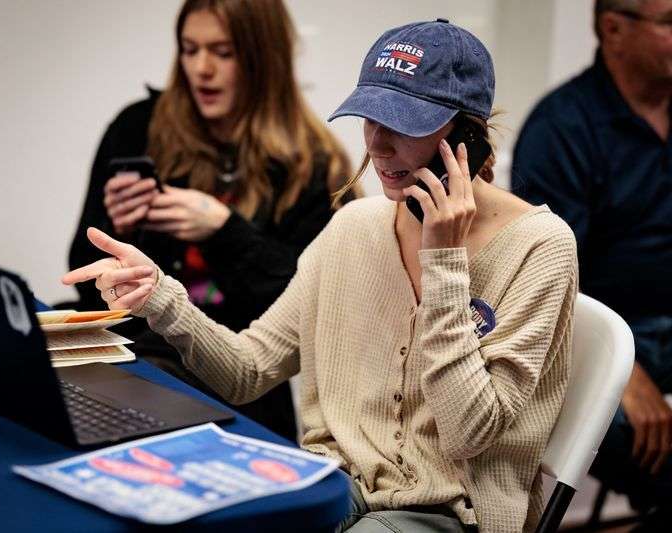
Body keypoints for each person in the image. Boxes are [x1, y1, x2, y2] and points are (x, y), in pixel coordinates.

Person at [64, 20, 578, 533]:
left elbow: (470, 435)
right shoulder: (354, 228)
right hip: (335, 485)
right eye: (370, 118)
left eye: (405, 124)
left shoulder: (541, 247)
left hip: (450, 512)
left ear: (467, 134)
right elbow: (247, 371)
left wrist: (443, 264)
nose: (377, 145)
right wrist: (160, 297)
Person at [67, 0, 355, 442]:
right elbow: (84, 278)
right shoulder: (138, 127)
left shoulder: (315, 165)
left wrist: (227, 232)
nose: (201, 68)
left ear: (263, 60)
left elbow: (305, 310)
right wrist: (120, 233)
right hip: (135, 352)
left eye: (223, 53)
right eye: (189, 49)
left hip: (235, 377)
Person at [512, 0, 672, 522]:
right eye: (671, 22)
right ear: (613, 30)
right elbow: (547, 281)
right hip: (603, 341)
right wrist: (625, 372)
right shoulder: (561, 128)